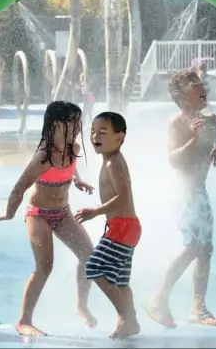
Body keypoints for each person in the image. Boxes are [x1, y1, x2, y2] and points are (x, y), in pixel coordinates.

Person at [0, 101, 97, 337]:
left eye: (79, 122)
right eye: (72, 123)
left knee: (88, 257)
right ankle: (24, 321)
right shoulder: (44, 157)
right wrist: (9, 213)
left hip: (62, 213)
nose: (78, 128)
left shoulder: (72, 147)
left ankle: (81, 305)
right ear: (55, 125)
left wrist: (77, 180)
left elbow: (71, 166)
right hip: (39, 214)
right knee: (45, 267)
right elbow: (18, 188)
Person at [145, 70, 216, 328]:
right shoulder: (176, 124)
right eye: (195, 86)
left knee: (206, 249)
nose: (202, 87)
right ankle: (158, 296)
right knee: (194, 246)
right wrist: (194, 141)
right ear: (182, 98)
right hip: (184, 191)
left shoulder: (212, 120)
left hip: (200, 192)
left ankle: (198, 307)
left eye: (201, 84)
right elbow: (172, 160)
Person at [76, 112, 141, 339]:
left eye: (103, 132)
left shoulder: (114, 163)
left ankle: (126, 316)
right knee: (121, 281)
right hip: (125, 227)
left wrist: (95, 211)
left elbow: (123, 197)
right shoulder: (109, 160)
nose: (95, 136)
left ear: (120, 137)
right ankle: (129, 320)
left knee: (93, 268)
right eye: (93, 131)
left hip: (123, 227)